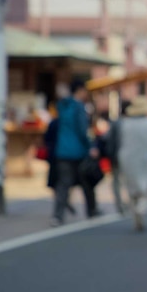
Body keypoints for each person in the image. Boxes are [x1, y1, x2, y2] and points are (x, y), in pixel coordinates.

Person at [51, 81, 99, 226]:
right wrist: (90, 146)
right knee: (86, 182)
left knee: (63, 185)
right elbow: (82, 130)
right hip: (78, 150)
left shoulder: (62, 106)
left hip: (62, 150)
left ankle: (57, 215)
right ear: (80, 90)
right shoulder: (78, 107)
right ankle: (91, 210)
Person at [117, 96, 147, 231]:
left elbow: (119, 141)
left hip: (126, 158)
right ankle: (141, 208)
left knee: (131, 188)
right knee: (144, 187)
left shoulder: (124, 123)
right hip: (144, 157)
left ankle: (136, 218)